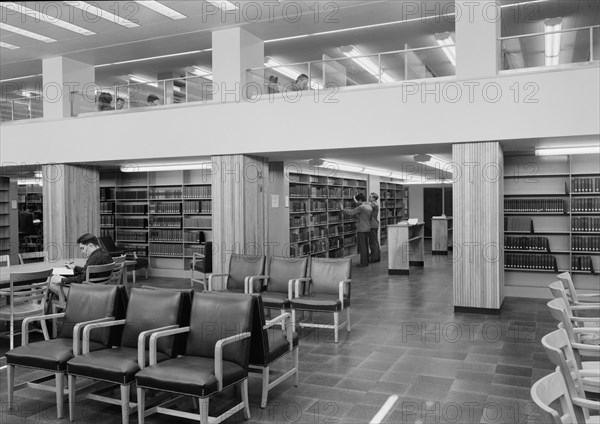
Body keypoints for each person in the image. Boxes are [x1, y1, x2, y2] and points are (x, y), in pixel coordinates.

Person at [48, 233, 114, 299]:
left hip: (85, 294)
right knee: (54, 291)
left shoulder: (93, 258)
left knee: (50, 282)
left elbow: (81, 278)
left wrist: (61, 279)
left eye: (82, 248)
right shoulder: (106, 255)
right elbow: (88, 272)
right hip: (101, 291)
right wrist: (75, 267)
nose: (82, 252)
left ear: (90, 245)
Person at [340, 193, 372, 267]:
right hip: (367, 227)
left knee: (362, 246)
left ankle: (363, 263)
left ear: (360, 200)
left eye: (358, 201)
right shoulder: (369, 206)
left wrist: (342, 209)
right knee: (366, 246)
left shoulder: (361, 207)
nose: (357, 202)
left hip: (361, 228)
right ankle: (366, 261)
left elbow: (350, 212)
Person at [368, 192, 381, 263]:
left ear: (373, 198)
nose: (369, 198)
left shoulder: (373, 204)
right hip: (374, 224)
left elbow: (365, 206)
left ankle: (374, 258)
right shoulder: (374, 204)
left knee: (373, 242)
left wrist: (357, 202)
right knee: (375, 242)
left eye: (370, 197)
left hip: (372, 225)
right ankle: (376, 257)